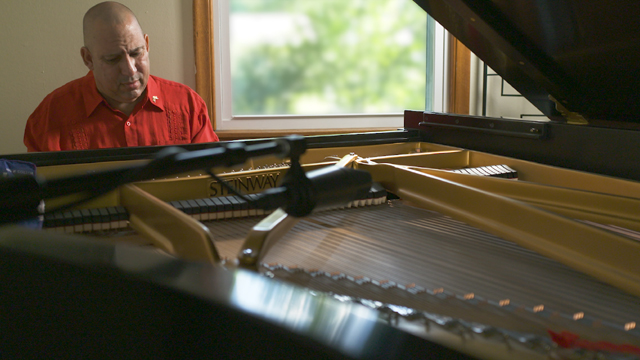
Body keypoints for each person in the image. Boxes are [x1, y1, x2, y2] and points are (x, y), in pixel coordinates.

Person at [24, 1, 218, 152]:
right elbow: (42, 197)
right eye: (112, 59)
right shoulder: (51, 116)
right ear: (88, 58)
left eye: (136, 53)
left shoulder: (188, 105)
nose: (130, 70)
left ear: (147, 45)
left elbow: (211, 181)